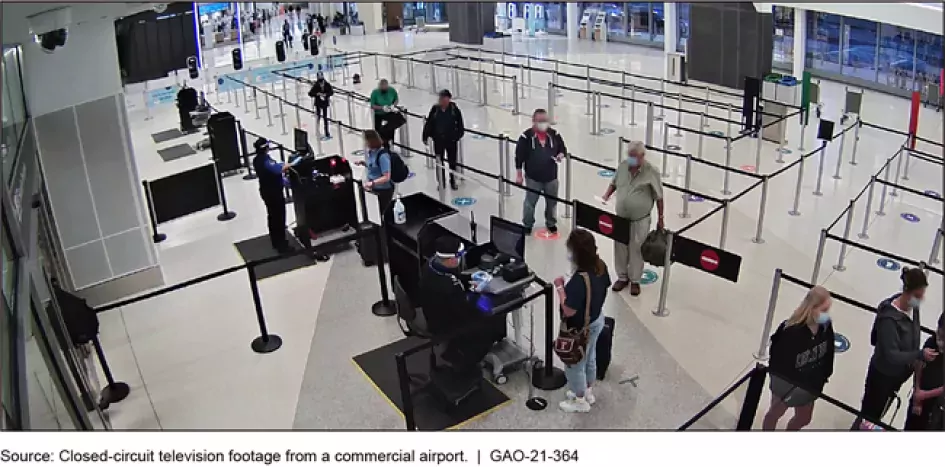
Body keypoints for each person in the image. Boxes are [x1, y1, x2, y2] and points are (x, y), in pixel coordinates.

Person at [857, 267, 939, 427]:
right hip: (883, 375)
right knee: (870, 415)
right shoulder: (889, 319)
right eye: (918, 295)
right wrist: (918, 354)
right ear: (908, 292)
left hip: (898, 374)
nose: (920, 300)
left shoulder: (913, 306)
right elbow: (891, 354)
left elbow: (915, 328)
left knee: (880, 410)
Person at [762, 286, 835, 430]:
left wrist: (824, 375)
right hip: (787, 386)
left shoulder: (825, 326)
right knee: (774, 414)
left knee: (804, 418)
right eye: (823, 310)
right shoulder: (791, 332)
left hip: (811, 385)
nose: (826, 314)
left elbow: (829, 352)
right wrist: (786, 390)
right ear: (812, 308)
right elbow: (777, 362)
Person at [554, 229, 611, 413]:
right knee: (590, 357)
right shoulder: (600, 266)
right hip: (597, 320)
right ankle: (588, 391)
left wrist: (560, 289)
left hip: (580, 329)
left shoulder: (579, 281)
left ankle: (579, 401)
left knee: (575, 364)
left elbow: (568, 310)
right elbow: (605, 288)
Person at [419, 236, 495, 370]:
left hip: (432, 311)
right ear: (452, 258)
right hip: (444, 323)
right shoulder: (448, 286)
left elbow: (454, 277)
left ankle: (454, 349)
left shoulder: (431, 265)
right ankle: (469, 362)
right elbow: (465, 310)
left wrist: (471, 277)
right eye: (460, 255)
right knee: (488, 320)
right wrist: (477, 292)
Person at [600, 141, 664, 297]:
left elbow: (659, 197)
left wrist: (661, 217)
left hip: (640, 219)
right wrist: (606, 195)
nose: (631, 159)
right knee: (620, 247)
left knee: (637, 249)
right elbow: (614, 183)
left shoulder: (651, 172)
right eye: (630, 156)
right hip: (621, 217)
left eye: (635, 157)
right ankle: (622, 277)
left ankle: (635, 280)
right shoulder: (622, 166)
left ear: (642, 156)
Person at [514, 109, 567, 235]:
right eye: (540, 121)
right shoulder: (526, 137)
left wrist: (560, 155)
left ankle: (551, 222)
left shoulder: (555, 134)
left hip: (551, 177)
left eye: (545, 121)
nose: (543, 123)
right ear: (533, 121)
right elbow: (519, 157)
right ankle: (527, 224)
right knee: (530, 203)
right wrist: (519, 175)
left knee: (552, 203)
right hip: (533, 178)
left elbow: (563, 148)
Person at [252, 138, 294, 254]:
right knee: (279, 218)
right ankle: (282, 246)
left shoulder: (256, 160)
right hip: (274, 193)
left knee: (272, 217)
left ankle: (275, 241)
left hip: (266, 191)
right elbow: (277, 169)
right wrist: (289, 165)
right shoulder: (265, 160)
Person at [905, 312, 944, 430]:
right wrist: (917, 393)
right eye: (940, 336)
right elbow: (919, 365)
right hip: (920, 395)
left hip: (936, 404)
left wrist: (923, 395)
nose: (940, 342)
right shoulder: (932, 341)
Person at [422, 89, 465, 190]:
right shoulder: (435, 109)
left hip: (451, 140)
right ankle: (441, 181)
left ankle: (453, 180)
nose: (442, 101)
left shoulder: (454, 109)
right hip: (439, 140)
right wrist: (425, 136)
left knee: (452, 162)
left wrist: (457, 136)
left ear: (449, 99)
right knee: (439, 161)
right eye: (441, 99)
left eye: (445, 99)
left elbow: (460, 124)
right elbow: (429, 123)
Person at [355, 130, 395, 215]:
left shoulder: (383, 156)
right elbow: (374, 166)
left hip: (383, 190)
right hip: (374, 188)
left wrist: (372, 183)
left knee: (380, 213)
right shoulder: (371, 152)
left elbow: (386, 177)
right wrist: (364, 163)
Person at [370, 79, 401, 149]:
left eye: (385, 87)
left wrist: (393, 105)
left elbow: (396, 99)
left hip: (389, 112)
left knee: (391, 127)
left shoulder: (392, 90)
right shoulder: (375, 93)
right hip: (379, 114)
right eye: (382, 88)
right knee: (378, 129)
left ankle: (390, 142)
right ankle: (380, 144)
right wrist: (382, 108)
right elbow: (372, 105)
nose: (384, 89)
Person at [308, 72, 333, 137]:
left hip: (324, 103)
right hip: (318, 103)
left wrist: (326, 95)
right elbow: (310, 93)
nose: (320, 77)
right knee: (318, 118)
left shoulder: (327, 84)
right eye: (319, 76)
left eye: (321, 76)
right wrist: (317, 94)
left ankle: (327, 133)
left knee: (325, 118)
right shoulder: (316, 85)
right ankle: (317, 131)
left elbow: (331, 92)